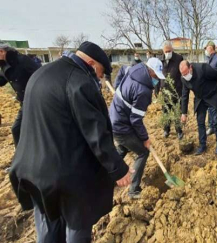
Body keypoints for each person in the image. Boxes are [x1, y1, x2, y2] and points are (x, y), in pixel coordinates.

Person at [9, 41, 131, 243]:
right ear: (91, 63)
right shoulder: (79, 82)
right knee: (77, 225)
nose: (100, 78)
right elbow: (96, 134)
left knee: (48, 224)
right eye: (100, 72)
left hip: (32, 171)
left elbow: (20, 124)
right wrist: (118, 169)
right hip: (65, 178)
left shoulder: (40, 74)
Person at [110, 58, 165, 199]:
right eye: (155, 76)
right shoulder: (143, 92)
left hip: (114, 116)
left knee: (123, 147)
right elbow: (136, 120)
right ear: (150, 71)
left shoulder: (135, 68)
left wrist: (118, 90)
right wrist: (145, 138)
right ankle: (133, 190)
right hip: (122, 125)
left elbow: (122, 70)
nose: (157, 80)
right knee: (142, 152)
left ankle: (107, 178)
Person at [0, 42, 40, 148]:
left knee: (39, 129)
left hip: (36, 100)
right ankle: (21, 157)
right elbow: (2, 79)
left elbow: (40, 74)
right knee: (16, 129)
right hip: (24, 102)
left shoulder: (22, 60)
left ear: (2, 51)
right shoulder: (4, 65)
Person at [180, 60, 217, 155]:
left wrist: (213, 88)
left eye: (186, 73)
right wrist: (183, 113)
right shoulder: (183, 78)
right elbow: (184, 95)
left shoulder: (203, 68)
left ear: (190, 67)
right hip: (200, 99)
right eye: (183, 74)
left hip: (212, 96)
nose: (185, 76)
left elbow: (216, 75)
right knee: (200, 123)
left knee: (216, 122)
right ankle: (202, 145)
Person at [158, 40, 184, 139]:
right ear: (163, 51)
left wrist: (183, 90)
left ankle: (179, 131)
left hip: (176, 91)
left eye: (169, 51)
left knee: (176, 111)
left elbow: (182, 74)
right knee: (166, 111)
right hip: (164, 91)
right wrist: (157, 89)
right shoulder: (161, 60)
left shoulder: (179, 58)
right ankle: (166, 130)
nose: (167, 53)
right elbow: (158, 75)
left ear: (172, 49)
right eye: (166, 51)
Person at [204, 41, 217, 137]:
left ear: (210, 48)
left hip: (215, 89)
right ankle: (211, 127)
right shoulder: (208, 60)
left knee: (215, 110)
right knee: (209, 109)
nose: (205, 50)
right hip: (208, 89)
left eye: (206, 48)